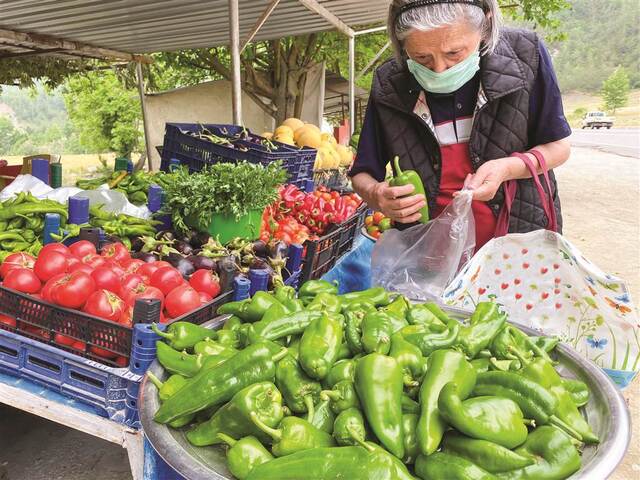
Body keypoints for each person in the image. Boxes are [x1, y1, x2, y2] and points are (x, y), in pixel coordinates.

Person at [350, 0, 571, 249]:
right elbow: (362, 174)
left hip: (518, 248)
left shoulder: (525, 56)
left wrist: (507, 169)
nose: (440, 70)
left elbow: (558, 147)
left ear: (486, 25)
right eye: (422, 58)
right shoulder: (389, 82)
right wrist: (377, 196)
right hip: (429, 255)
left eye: (454, 53)